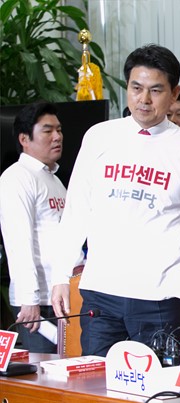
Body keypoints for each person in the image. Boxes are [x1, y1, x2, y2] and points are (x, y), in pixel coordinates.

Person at [50, 44, 180, 357]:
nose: (144, 100)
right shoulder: (99, 137)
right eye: (136, 88)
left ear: (174, 93)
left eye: (156, 90)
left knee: (160, 383)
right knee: (97, 381)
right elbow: (76, 211)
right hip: (102, 293)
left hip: (163, 297)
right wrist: (60, 275)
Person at [0, 102, 79, 353]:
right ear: (24, 139)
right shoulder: (17, 177)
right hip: (38, 303)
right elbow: (18, 242)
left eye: (59, 129)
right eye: (47, 130)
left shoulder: (53, 179)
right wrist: (29, 299)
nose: (57, 137)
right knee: (44, 372)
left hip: (62, 295)